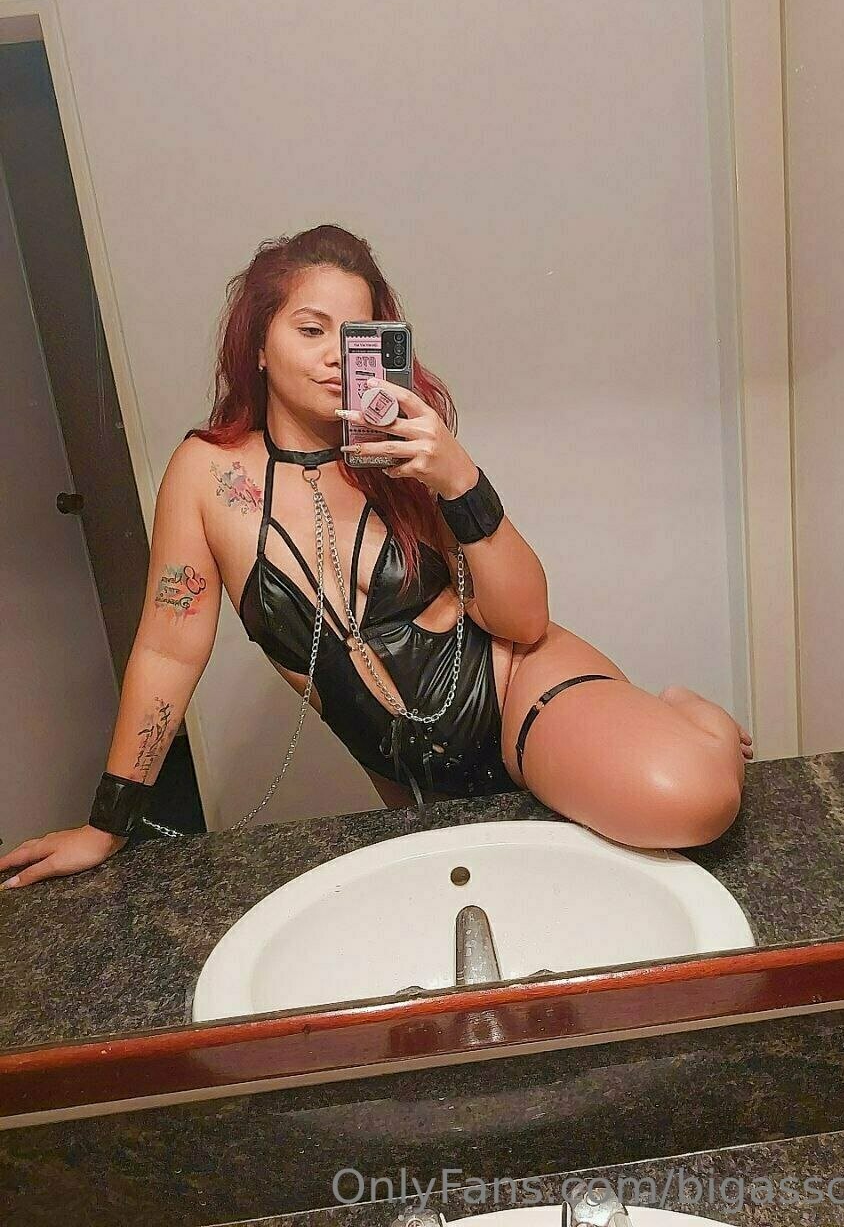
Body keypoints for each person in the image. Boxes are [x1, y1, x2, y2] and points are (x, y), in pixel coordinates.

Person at [0, 225, 752, 891]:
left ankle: (690, 716)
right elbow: (167, 651)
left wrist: (458, 478)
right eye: (310, 329)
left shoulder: (404, 448)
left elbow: (525, 622)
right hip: (408, 773)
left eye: (355, 334)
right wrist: (106, 826)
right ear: (259, 344)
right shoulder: (205, 475)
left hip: (515, 688)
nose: (335, 355)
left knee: (691, 802)